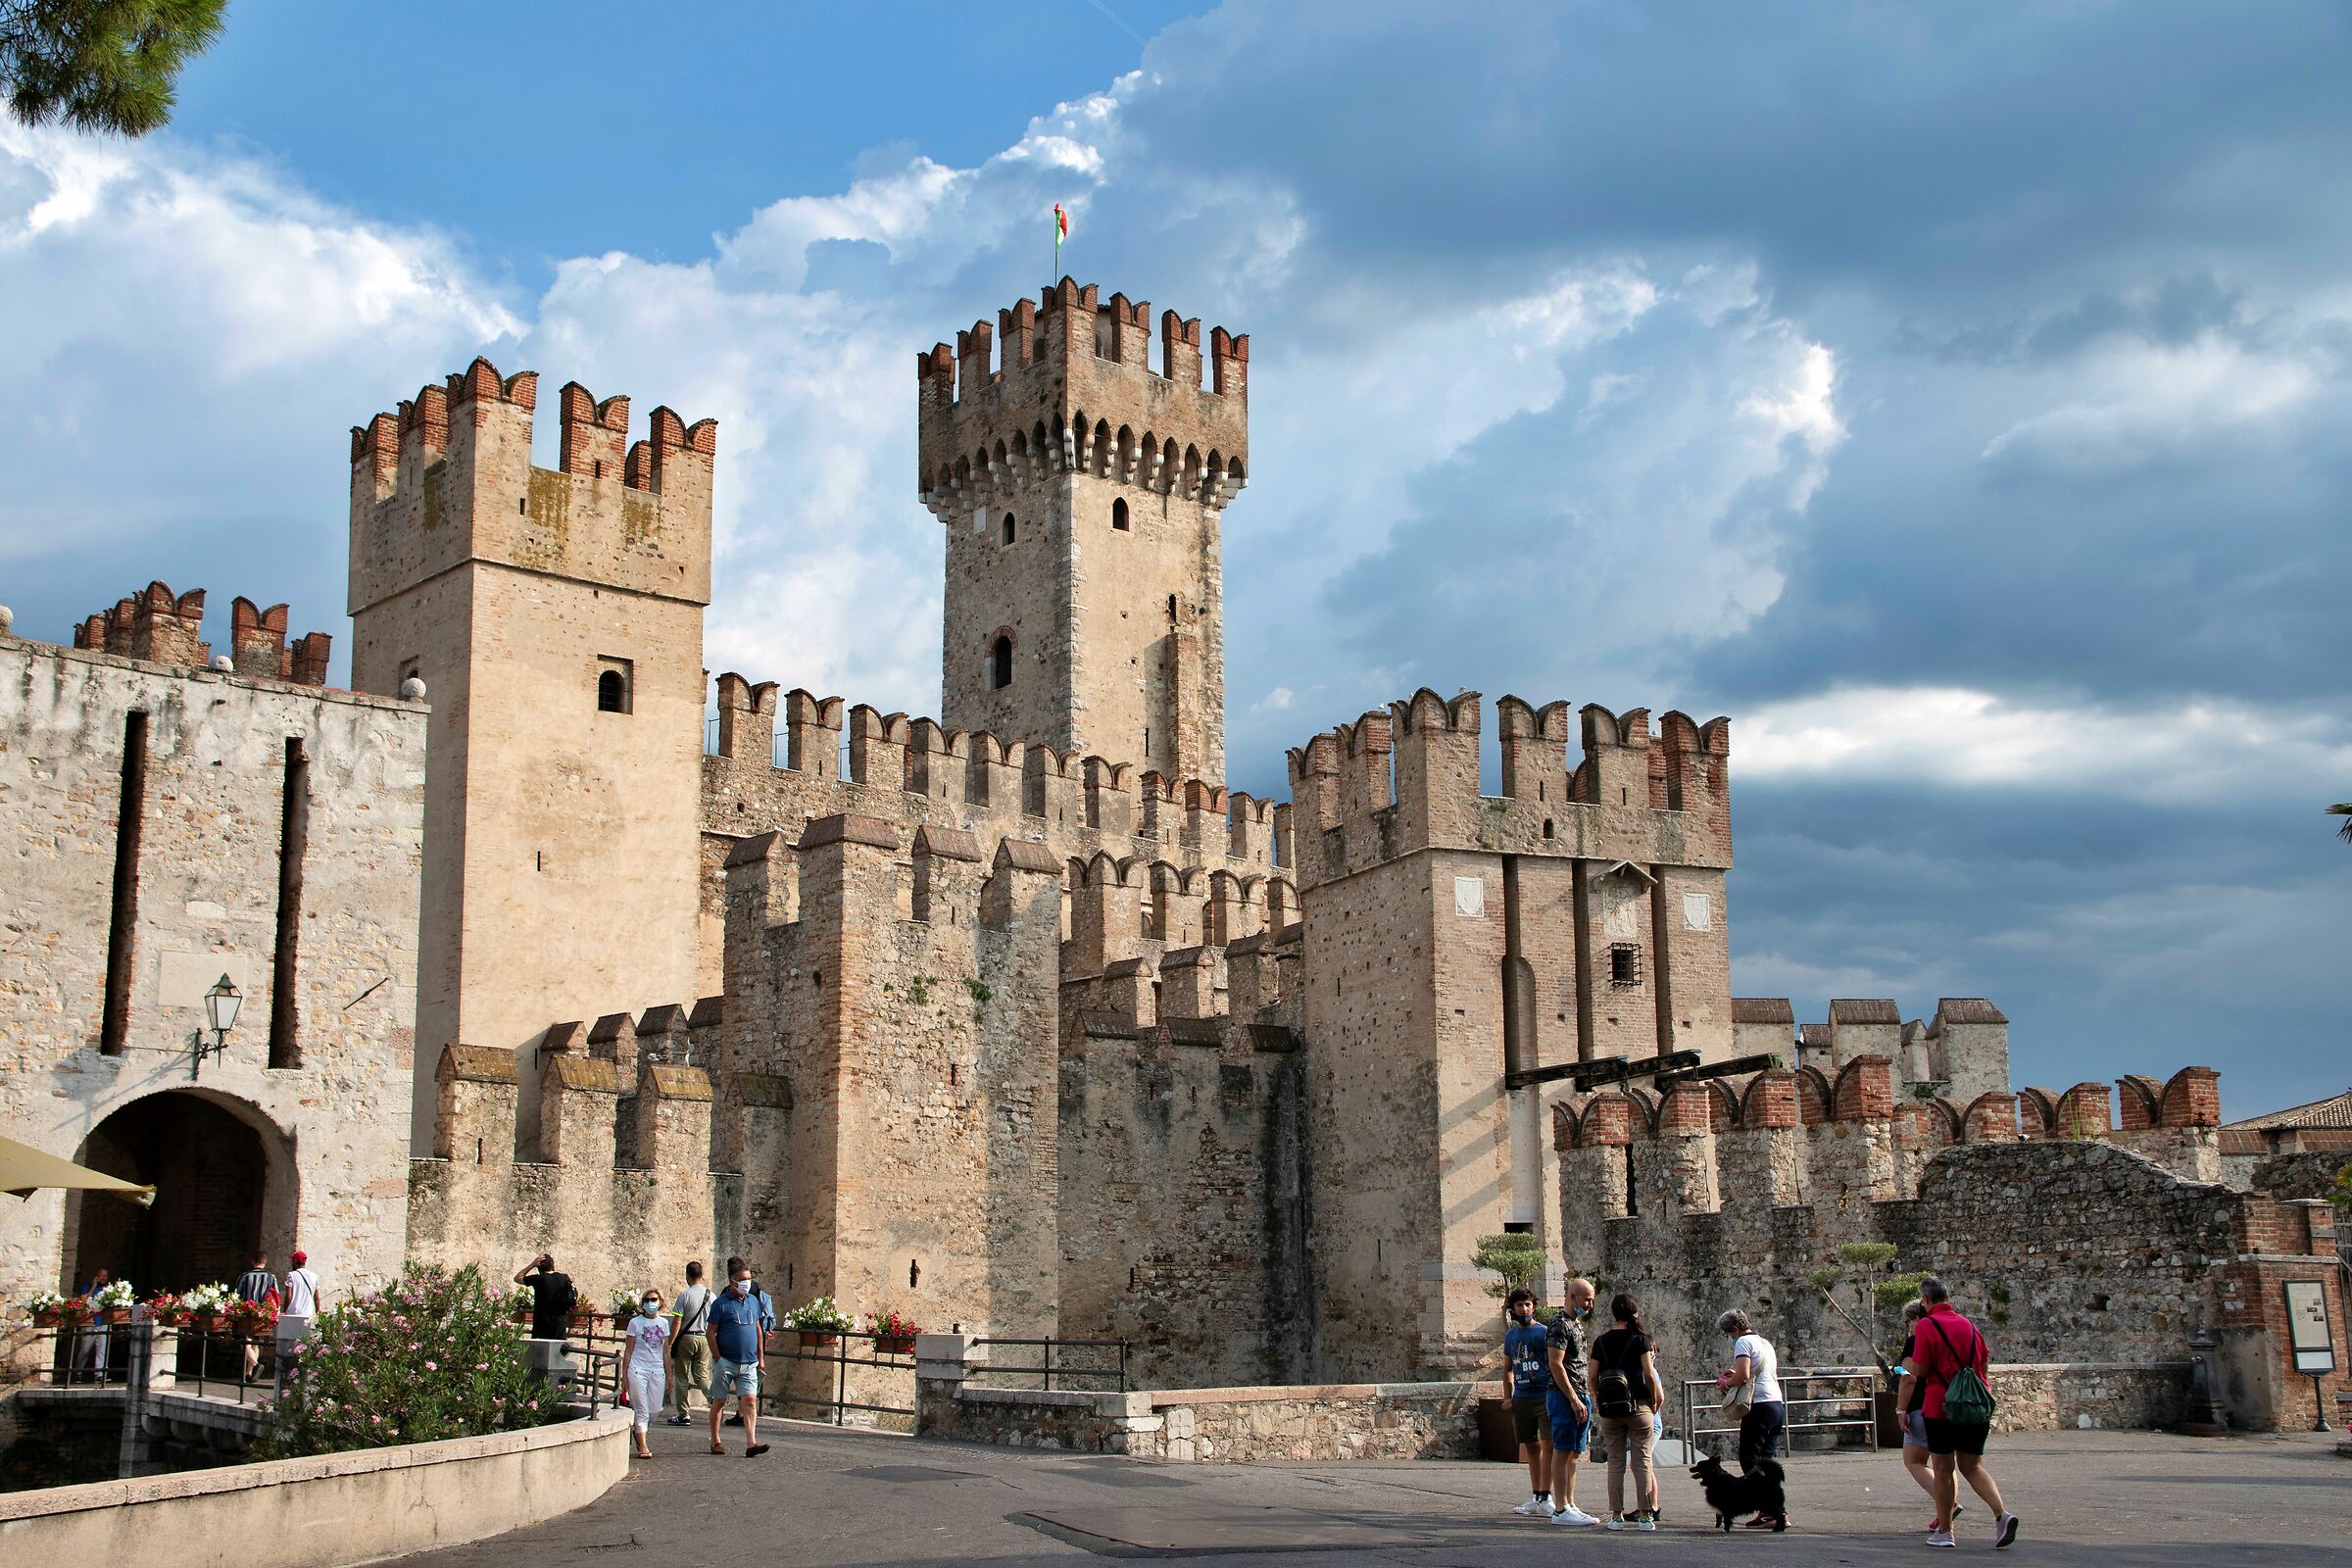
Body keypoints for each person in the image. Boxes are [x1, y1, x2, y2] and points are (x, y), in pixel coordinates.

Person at [1910, 1277, 2018, 1550]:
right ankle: (2001, 1514)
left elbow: (1921, 1369)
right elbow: (1983, 1360)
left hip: (1940, 1407)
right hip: (1973, 1405)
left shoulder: (1926, 1325)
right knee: (1973, 1466)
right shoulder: (1969, 1324)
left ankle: (1945, 1531)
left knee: (1944, 1469)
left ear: (1925, 1300)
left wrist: (1909, 1365)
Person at [1592, 1292, 1665, 1532]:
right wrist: (1654, 1402)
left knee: (1615, 1463)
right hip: (1639, 1405)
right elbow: (1648, 1373)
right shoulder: (1640, 1339)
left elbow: (1592, 1375)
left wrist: (1599, 1397)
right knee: (1642, 1461)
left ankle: (1616, 1516)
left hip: (1610, 1409)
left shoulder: (1601, 1341)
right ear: (1634, 1313)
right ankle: (1645, 1515)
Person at [1717, 1309, 1788, 1529]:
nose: (1729, 1339)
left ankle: (1776, 1510)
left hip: (1759, 1406)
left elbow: (1744, 1376)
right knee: (1767, 1461)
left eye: (1727, 1334)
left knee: (1749, 1460)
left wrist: (1726, 1384)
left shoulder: (1742, 1343)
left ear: (1735, 1330)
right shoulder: (1764, 1343)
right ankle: (1770, 1511)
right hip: (1776, 1404)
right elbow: (1758, 1371)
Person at [1892, 1299, 1958, 1530]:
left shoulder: (1915, 1341)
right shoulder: (1942, 1337)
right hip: (1946, 1405)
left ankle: (1948, 1504)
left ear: (1916, 1319)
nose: (1907, 1327)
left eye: (1907, 1321)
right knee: (1944, 1463)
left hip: (1921, 1406)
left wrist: (1901, 1410)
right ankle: (1945, 1512)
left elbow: (1909, 1377)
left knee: (1914, 1460)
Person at [1544, 1277, 1599, 1527]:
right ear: (1572, 1297)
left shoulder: (1575, 1324)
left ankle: (1570, 1503)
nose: (1589, 1305)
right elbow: (1556, 1363)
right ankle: (1560, 1508)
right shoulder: (1559, 1324)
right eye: (1587, 1299)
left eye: (1592, 1300)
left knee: (1575, 1451)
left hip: (1579, 1393)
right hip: (1563, 1395)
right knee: (1562, 1449)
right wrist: (1574, 1398)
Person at [706, 1259, 770, 1457]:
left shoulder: (753, 1300)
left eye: (749, 1279)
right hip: (727, 1361)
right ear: (732, 1281)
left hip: (749, 1362)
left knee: (750, 1400)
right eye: (743, 1279)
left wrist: (761, 1356)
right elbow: (710, 1332)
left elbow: (758, 1329)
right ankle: (716, 1440)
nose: (747, 1283)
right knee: (719, 1401)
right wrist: (718, 1358)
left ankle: (751, 1442)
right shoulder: (721, 1304)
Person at [1500, 1287, 1554, 1516]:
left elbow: (1554, 1364)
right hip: (1522, 1397)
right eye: (1520, 1305)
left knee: (1549, 1446)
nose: (1524, 1309)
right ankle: (1536, 1495)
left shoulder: (1543, 1332)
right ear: (1512, 1310)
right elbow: (1507, 1368)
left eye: (1528, 1305)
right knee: (1531, 1447)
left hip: (1544, 1395)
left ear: (1534, 1306)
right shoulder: (1511, 1335)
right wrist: (1507, 1396)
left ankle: (1547, 1495)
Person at [621, 1286, 671, 1457]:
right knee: (641, 1409)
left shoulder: (664, 1323)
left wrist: (669, 1375)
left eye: (654, 1300)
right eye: (647, 1300)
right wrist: (624, 1376)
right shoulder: (635, 1323)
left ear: (660, 1302)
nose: (650, 1303)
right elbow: (628, 1350)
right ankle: (643, 1446)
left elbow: (666, 1351)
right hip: (637, 1368)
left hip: (656, 1369)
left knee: (655, 1410)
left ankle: (638, 1429)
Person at [666, 1260, 713, 1427]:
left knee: (681, 1376)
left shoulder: (685, 1296)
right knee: (701, 1375)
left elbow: (677, 1322)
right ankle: (713, 1398)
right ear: (702, 1275)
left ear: (687, 1275)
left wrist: (670, 1342)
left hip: (687, 1338)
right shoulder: (711, 1296)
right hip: (705, 1338)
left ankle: (683, 1414)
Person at [235, 1250, 281, 1379]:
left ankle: (255, 1365)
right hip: (264, 1313)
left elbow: (237, 1295)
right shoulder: (271, 1277)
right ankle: (249, 1373)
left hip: (247, 1312)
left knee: (245, 1341)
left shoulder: (245, 1276)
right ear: (265, 1262)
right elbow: (276, 1296)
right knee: (255, 1342)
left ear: (253, 1262)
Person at [514, 1252, 577, 1341]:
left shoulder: (539, 1279)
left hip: (542, 1322)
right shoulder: (565, 1278)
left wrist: (532, 1265)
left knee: (539, 1351)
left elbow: (517, 1278)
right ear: (552, 1264)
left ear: (539, 1267)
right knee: (557, 1351)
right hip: (560, 1322)